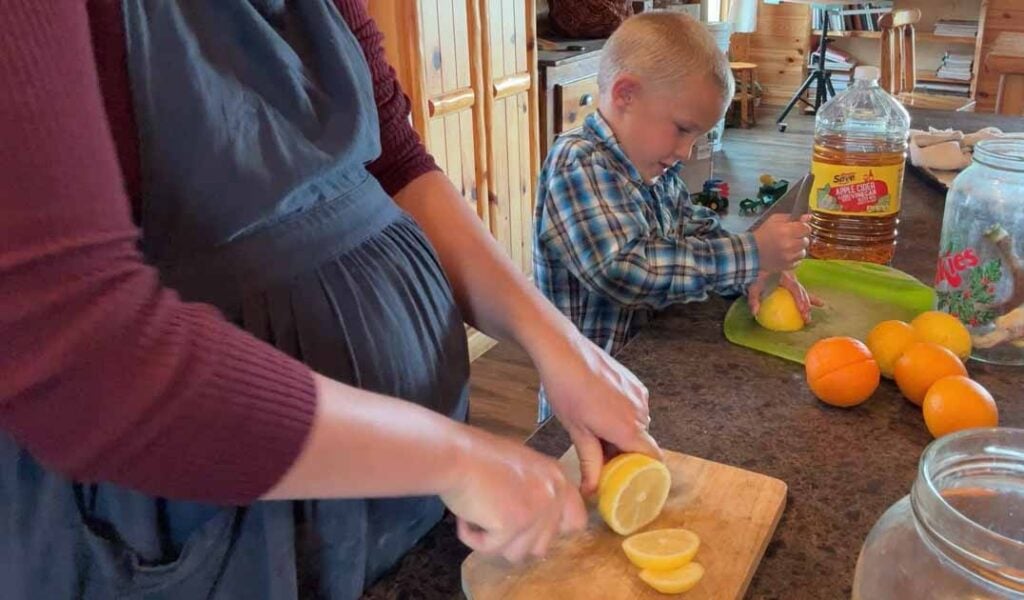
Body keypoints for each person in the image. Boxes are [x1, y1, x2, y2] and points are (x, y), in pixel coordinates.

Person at [0, 2, 661, 598]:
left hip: (393, 485)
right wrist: (449, 456)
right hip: (194, 517)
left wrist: (556, 344)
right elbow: (82, 354)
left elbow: (395, 163)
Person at [534, 12, 819, 395]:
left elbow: (693, 226)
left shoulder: (653, 166)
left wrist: (750, 272)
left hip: (643, 378)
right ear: (625, 95)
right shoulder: (579, 163)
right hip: (588, 396)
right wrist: (750, 252)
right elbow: (622, 270)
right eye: (683, 129)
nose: (686, 151)